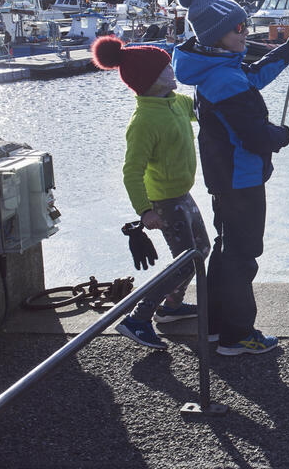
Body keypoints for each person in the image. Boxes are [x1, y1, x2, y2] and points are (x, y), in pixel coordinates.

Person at [171, 0, 289, 356]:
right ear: (218, 35)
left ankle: (215, 326)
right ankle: (237, 335)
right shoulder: (225, 79)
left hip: (225, 179)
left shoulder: (218, 69)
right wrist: (280, 136)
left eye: (246, 26)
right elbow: (253, 136)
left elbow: (256, 76)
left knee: (226, 247)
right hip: (240, 179)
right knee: (243, 255)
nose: (246, 33)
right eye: (239, 30)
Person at [92, 36, 211, 350]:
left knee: (202, 249)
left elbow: (201, 109)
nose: (172, 70)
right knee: (186, 261)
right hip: (164, 201)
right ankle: (138, 318)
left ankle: (171, 306)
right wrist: (145, 210)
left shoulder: (174, 102)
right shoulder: (143, 121)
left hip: (183, 194)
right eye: (165, 67)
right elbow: (131, 171)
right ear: (148, 79)